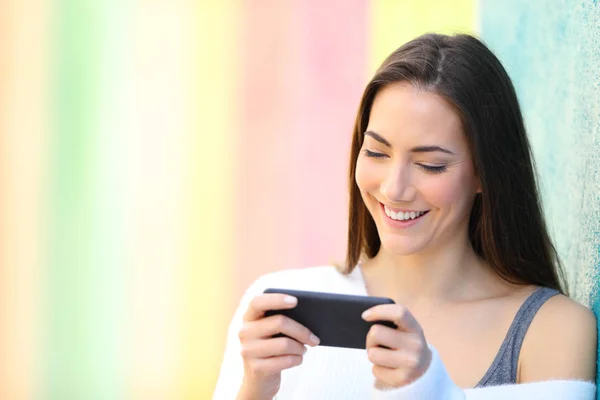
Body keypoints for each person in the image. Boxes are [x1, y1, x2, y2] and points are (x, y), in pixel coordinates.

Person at [212, 33, 597, 399]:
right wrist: (254, 391)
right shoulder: (276, 309)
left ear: (484, 173)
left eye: (430, 165)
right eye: (377, 153)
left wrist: (427, 390)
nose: (394, 188)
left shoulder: (552, 330)